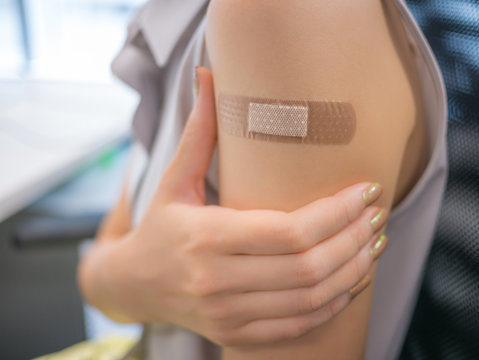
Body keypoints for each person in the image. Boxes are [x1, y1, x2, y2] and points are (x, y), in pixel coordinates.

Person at [77, 0, 448, 359]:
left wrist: (128, 279)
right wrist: (143, 276)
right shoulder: (178, 16)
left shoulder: (287, 14)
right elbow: (95, 267)